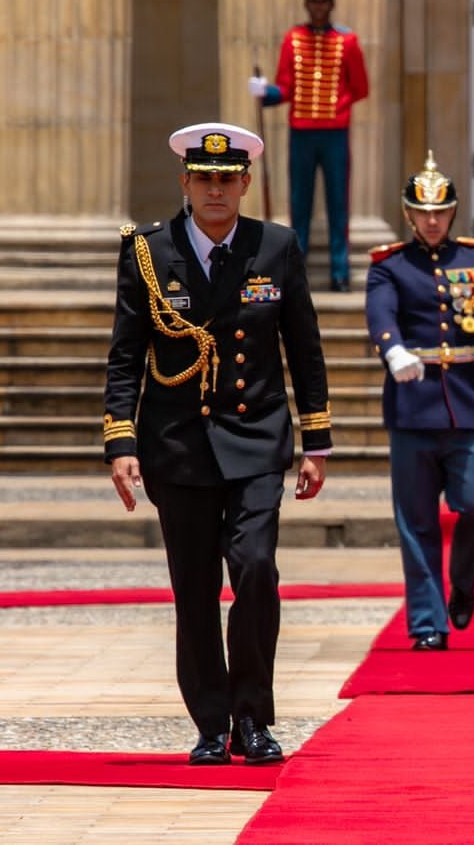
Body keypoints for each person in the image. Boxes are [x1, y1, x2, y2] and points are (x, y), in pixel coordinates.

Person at [104, 121, 332, 766]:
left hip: (257, 438)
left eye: (227, 179)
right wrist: (120, 441)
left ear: (245, 184)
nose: (215, 190)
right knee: (195, 589)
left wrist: (317, 442)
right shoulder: (149, 251)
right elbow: (126, 356)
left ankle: (253, 719)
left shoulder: (275, 246)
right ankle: (211, 723)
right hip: (177, 444)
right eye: (203, 179)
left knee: (256, 570)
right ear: (185, 183)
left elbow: (303, 348)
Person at [365, 152, 474, 650]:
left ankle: (462, 578)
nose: (431, 221)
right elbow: (379, 313)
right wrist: (393, 347)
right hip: (412, 406)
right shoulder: (390, 267)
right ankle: (427, 623)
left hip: (467, 406)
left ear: (452, 212)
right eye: (422, 212)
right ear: (408, 213)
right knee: (417, 521)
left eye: (440, 212)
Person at [249, 0, 370, 292]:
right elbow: (285, 88)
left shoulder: (348, 41)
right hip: (301, 132)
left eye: (324, 0)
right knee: (299, 204)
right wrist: (265, 92)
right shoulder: (293, 39)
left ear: (331, 3)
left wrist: (338, 107)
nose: (319, 6)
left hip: (334, 133)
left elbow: (361, 87)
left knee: (337, 203)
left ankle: (340, 271)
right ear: (307, 3)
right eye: (314, 0)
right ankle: (294, 271)